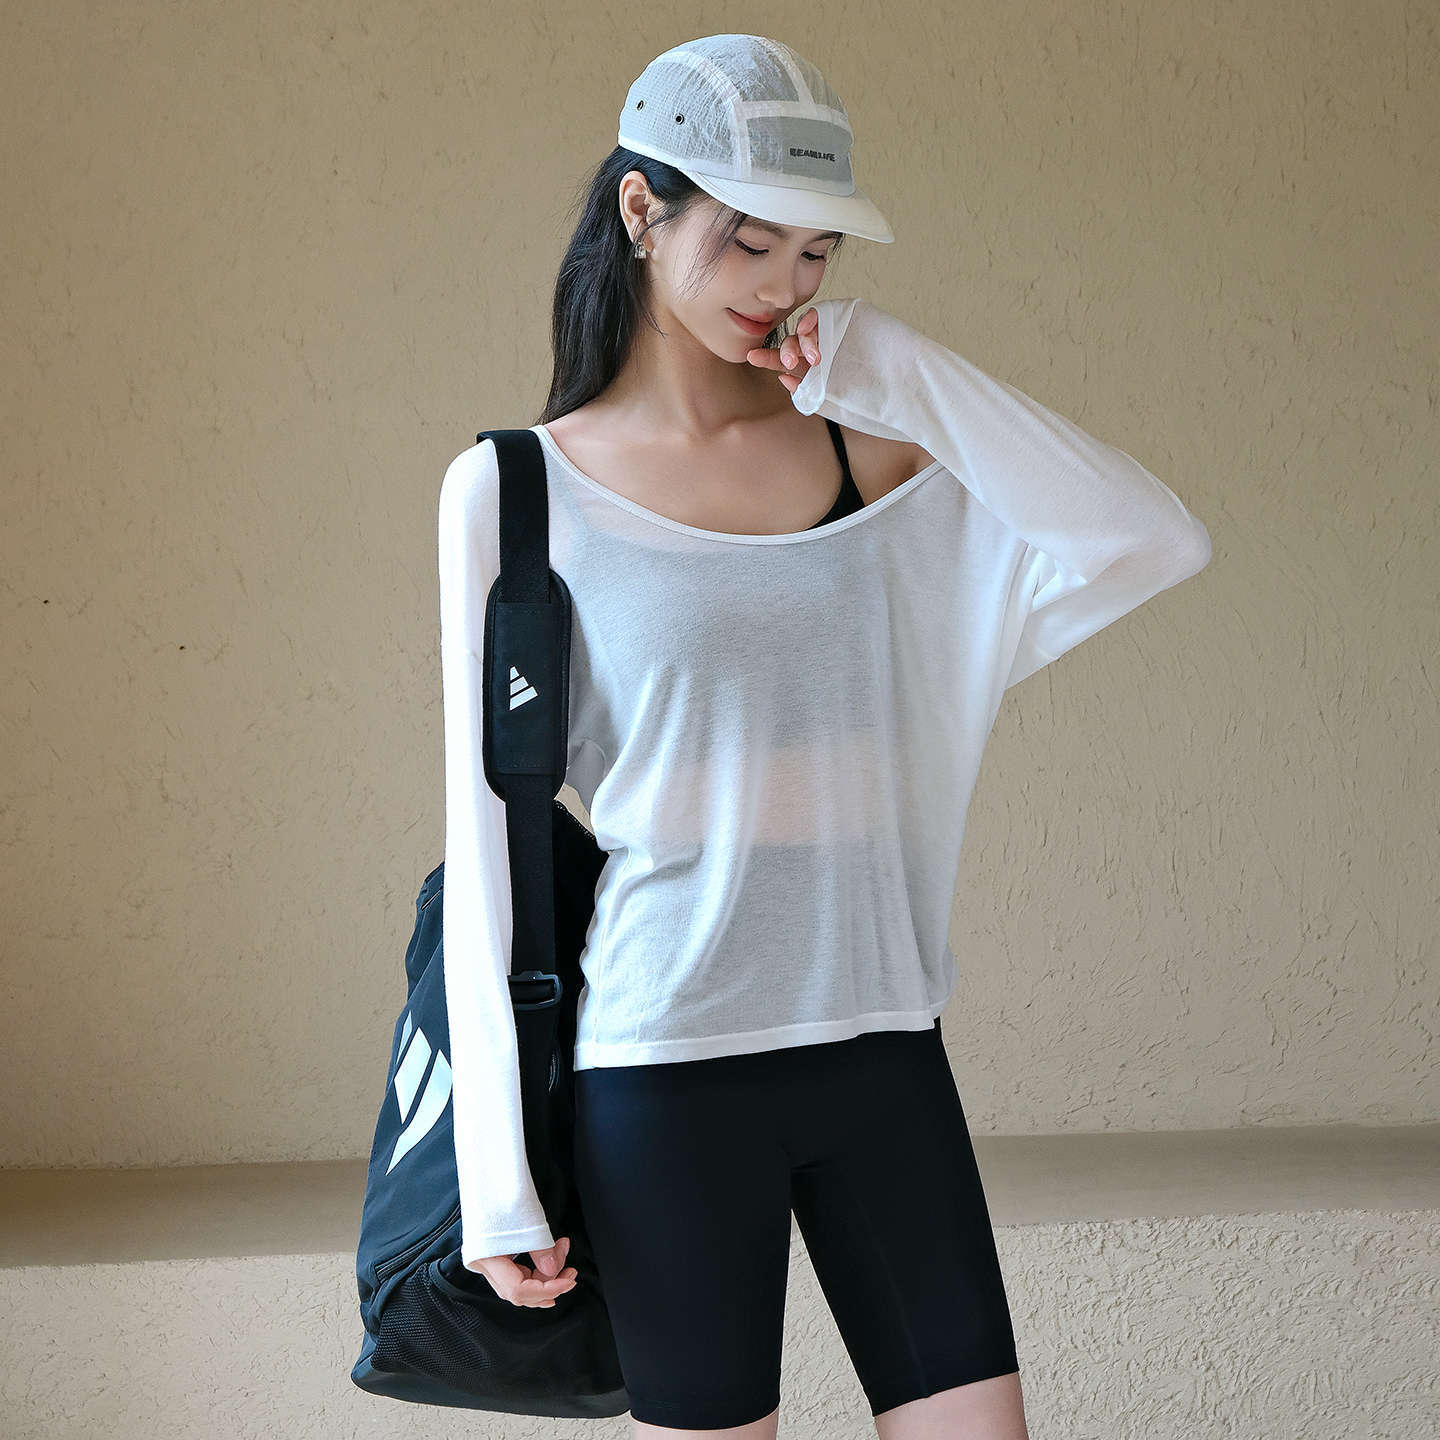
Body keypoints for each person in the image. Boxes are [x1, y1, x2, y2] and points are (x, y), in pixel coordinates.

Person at [436, 33, 1212, 1440]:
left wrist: (901, 369)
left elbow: (1150, 539)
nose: (784, 287)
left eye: (815, 254)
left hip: (883, 1046)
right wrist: (498, 1180)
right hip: (663, 1070)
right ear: (641, 210)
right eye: (748, 243)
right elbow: (487, 835)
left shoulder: (874, 456)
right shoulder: (516, 491)